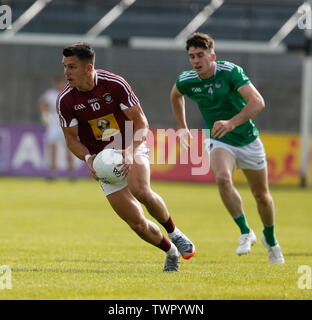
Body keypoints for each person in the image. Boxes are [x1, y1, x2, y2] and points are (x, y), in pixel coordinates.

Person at [57, 42, 195, 272]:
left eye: (72, 67)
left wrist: (130, 151)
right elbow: (71, 140)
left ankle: (175, 233)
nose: (66, 72)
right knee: (137, 223)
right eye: (65, 66)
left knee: (141, 191)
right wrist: (89, 159)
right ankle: (171, 251)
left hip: (130, 145)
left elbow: (141, 123)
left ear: (88, 68)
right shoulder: (66, 101)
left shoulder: (114, 84)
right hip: (101, 160)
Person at [170, 33, 284, 264]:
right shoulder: (187, 79)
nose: (196, 60)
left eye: (200, 55)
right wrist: (182, 127)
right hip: (219, 139)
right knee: (222, 178)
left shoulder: (230, 72)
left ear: (212, 55)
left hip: (248, 139)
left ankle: (270, 240)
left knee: (261, 196)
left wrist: (232, 122)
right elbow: (175, 95)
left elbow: (258, 102)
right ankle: (245, 231)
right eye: (191, 56)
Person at [38, 76, 75, 180]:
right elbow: (42, 103)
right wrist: (44, 114)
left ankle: (71, 173)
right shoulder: (50, 94)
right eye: (59, 83)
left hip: (66, 125)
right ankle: (53, 173)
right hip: (54, 125)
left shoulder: (69, 94)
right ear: (56, 84)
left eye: (62, 83)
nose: (60, 85)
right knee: (53, 149)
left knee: (70, 149)